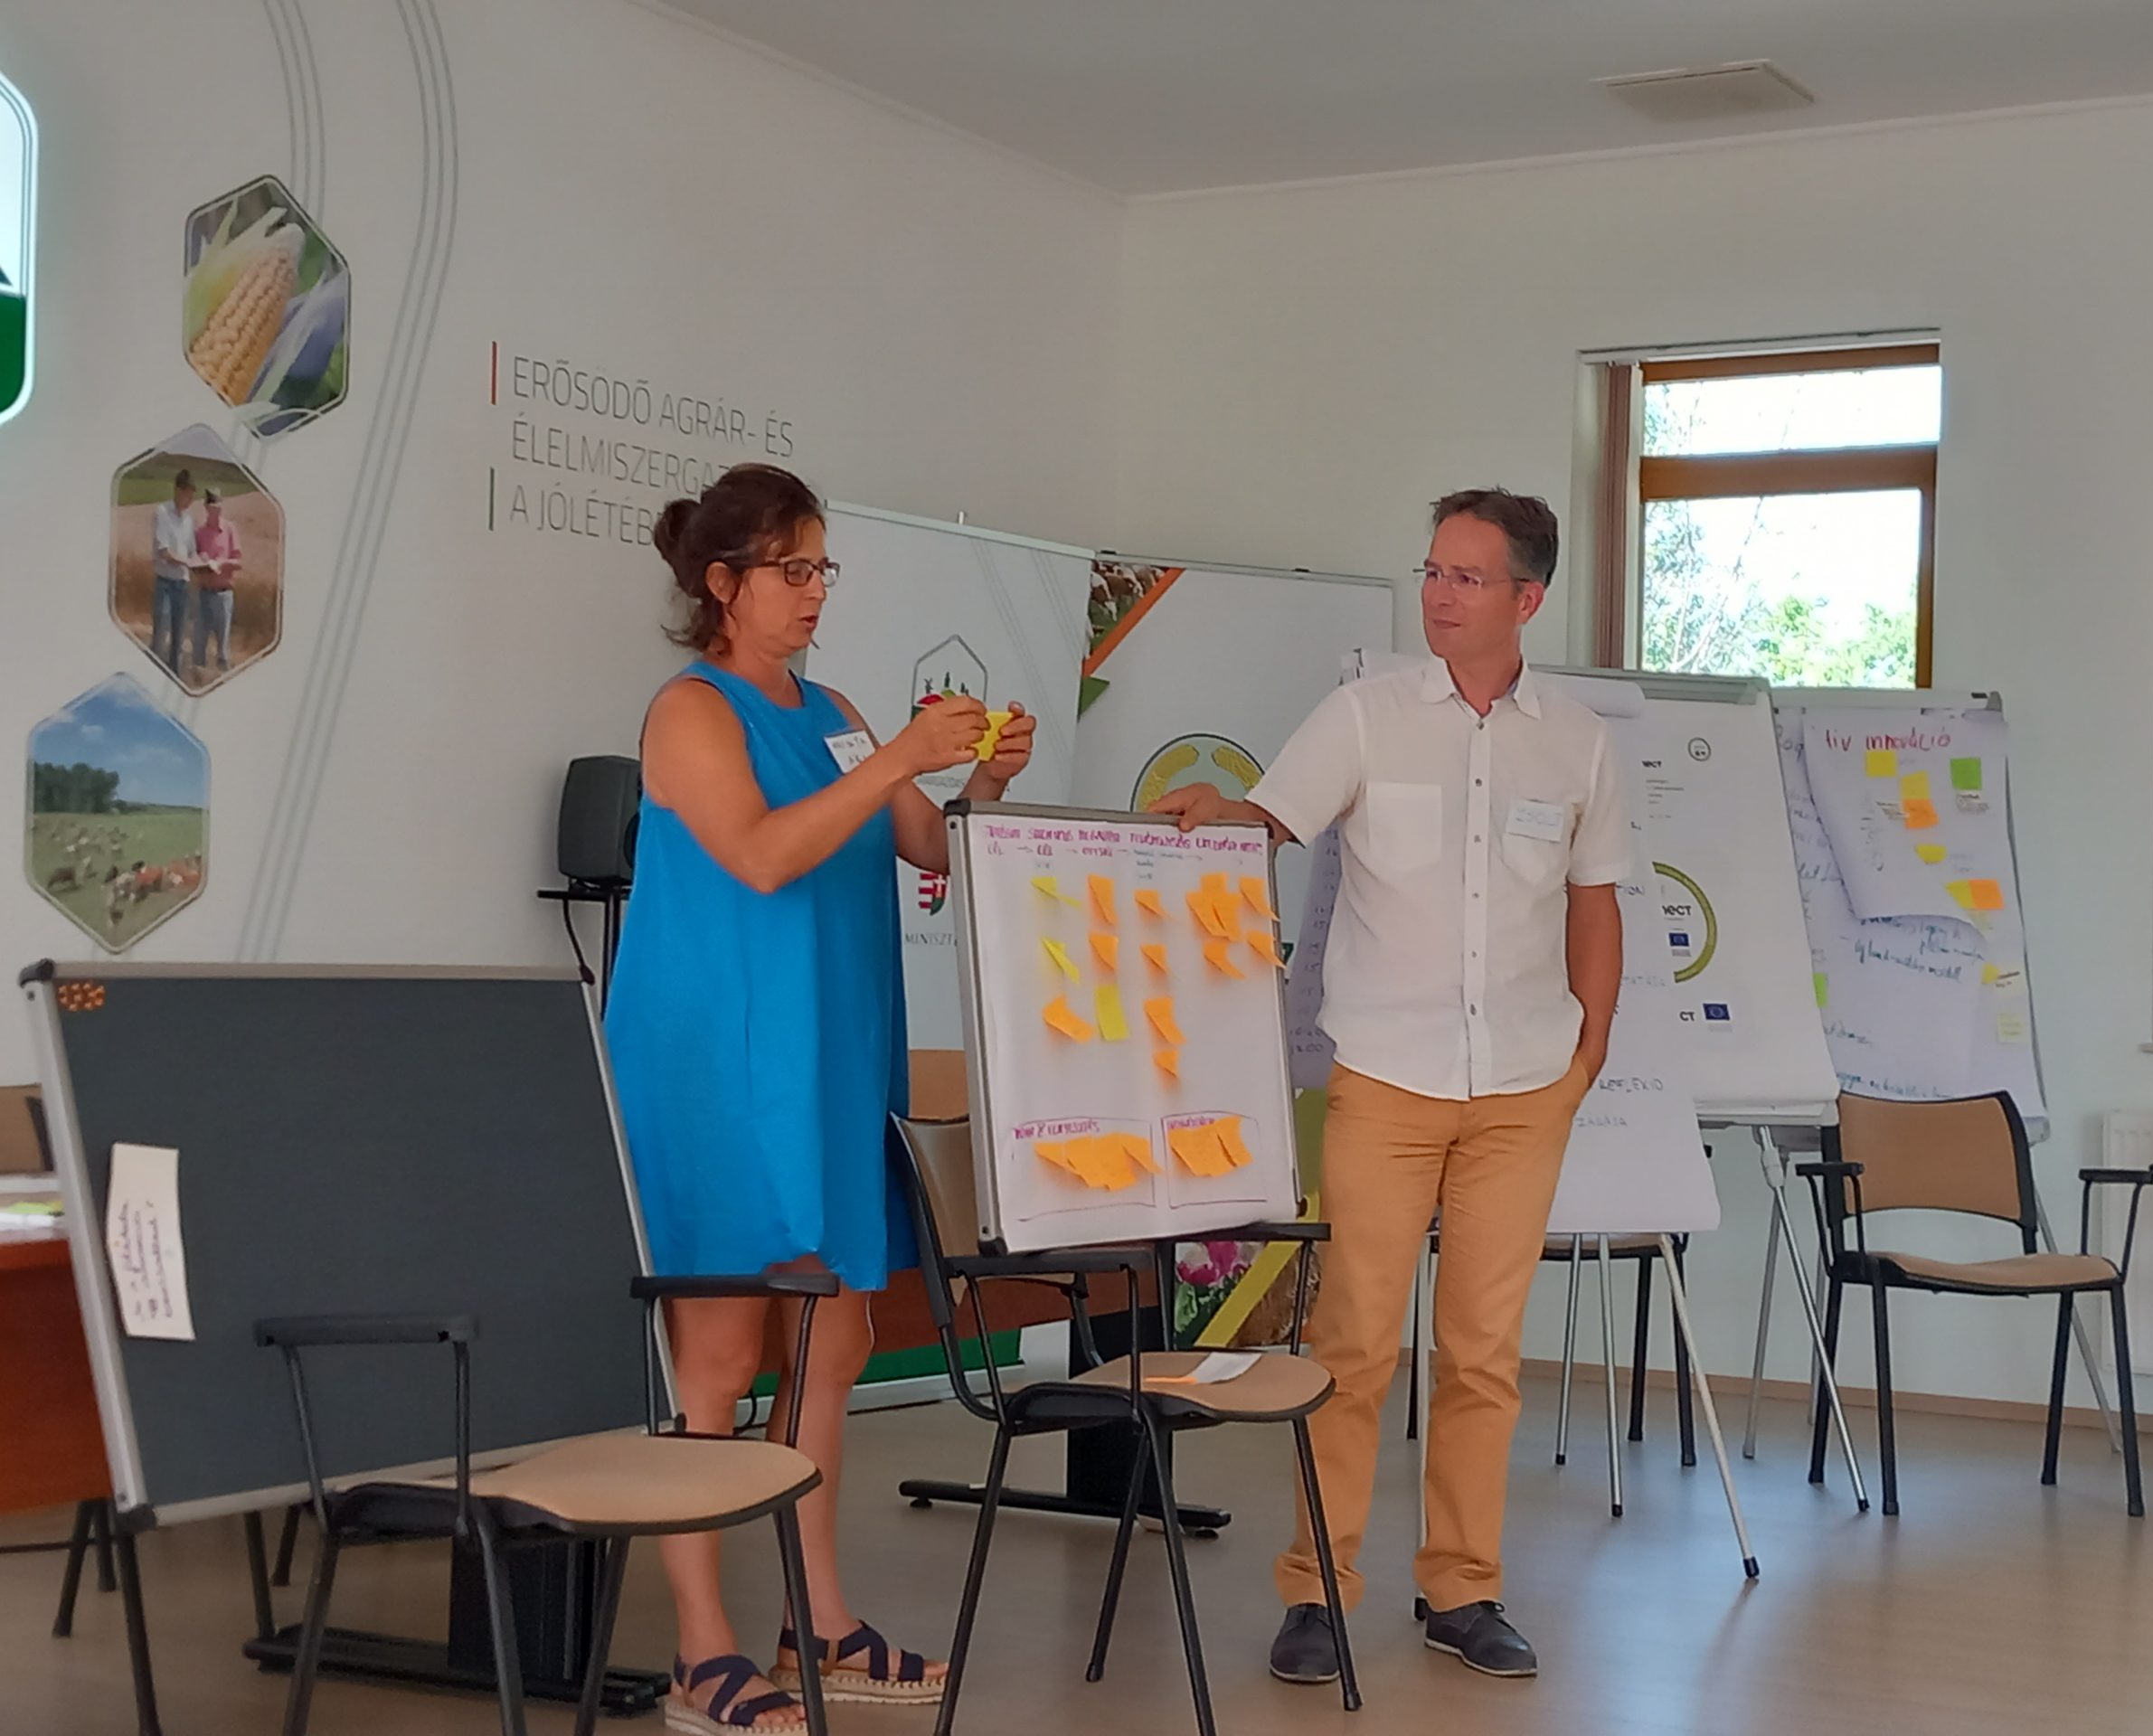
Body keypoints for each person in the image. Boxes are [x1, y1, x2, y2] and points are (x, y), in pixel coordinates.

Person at [1153, 488, 1627, 1684]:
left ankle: (1462, 1590)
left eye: (1467, 576)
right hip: (1387, 1083)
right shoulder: (1365, 716)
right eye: (1431, 570)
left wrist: (1586, 1058)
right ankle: (1317, 1590)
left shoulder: (1577, 741)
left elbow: (1595, 904)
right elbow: (1269, 817)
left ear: (1527, 597)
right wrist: (1221, 817)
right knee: (1353, 1343)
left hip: (1523, 1088)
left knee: (1482, 1353)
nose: (1439, 593)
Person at [604, 463, 1035, 1733]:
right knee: (721, 1355)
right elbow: (758, 853)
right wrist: (897, 753)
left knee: (835, 1343)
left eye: (820, 567)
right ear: (723, 583)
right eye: (791, 569)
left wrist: (980, 782)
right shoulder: (689, 712)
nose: (812, 592)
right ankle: (701, 1652)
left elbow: (926, 842)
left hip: (835, 1061)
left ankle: (818, 1621)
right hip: (723, 1070)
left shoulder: (834, 709)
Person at [148, 469, 205, 677]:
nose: (190, 500)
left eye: (192, 496)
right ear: (178, 491)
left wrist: (203, 562)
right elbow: (164, 552)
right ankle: (152, 675)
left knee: (178, 639)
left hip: (182, 584)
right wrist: (189, 563)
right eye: (188, 495)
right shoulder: (162, 512)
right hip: (165, 583)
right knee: (160, 635)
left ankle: (174, 678)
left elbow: (192, 551)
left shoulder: (189, 520)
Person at [192, 489, 241, 676]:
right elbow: (193, 560)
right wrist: (202, 563)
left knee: (223, 647)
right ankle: (197, 679)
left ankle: (223, 679)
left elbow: (239, 562)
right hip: (204, 593)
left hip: (223, 594)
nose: (216, 511)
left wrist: (222, 563)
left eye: (219, 507)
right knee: (199, 642)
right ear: (206, 507)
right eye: (213, 507)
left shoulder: (230, 529)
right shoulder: (199, 532)